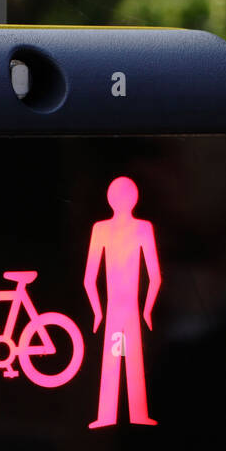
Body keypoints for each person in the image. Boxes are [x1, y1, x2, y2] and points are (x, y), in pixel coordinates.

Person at [82, 175, 160, 427]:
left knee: (114, 360)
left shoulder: (102, 229)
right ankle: (135, 415)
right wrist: (147, 309)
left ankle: (108, 416)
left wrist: (97, 311)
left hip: (114, 309)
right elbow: (155, 277)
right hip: (130, 308)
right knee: (132, 358)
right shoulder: (142, 228)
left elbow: (88, 279)